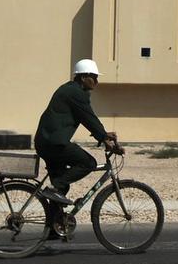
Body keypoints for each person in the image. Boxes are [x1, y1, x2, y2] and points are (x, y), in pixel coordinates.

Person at [34, 59, 123, 208]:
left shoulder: (70, 89)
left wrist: (103, 136)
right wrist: (103, 136)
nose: (96, 81)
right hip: (54, 143)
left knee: (60, 191)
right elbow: (88, 117)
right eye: (93, 77)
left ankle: (55, 222)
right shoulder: (75, 93)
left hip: (46, 142)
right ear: (83, 77)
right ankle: (54, 187)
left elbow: (86, 118)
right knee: (88, 163)